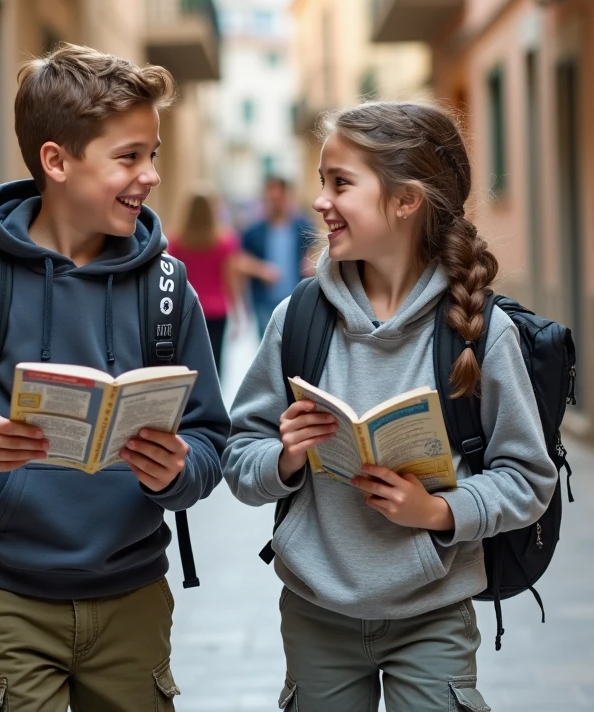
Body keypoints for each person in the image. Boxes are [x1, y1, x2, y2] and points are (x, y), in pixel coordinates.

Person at [0, 44, 229, 712]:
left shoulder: (166, 288)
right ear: (57, 162)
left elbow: (211, 436)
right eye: (129, 157)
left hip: (134, 594)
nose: (151, 175)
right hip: (8, 594)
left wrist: (180, 471)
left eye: (153, 154)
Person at [223, 101, 557, 710]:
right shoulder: (298, 319)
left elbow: (528, 478)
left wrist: (438, 511)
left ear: (406, 200)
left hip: (434, 612)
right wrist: (285, 458)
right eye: (322, 181)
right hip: (316, 611)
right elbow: (240, 456)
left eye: (340, 183)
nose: (320, 201)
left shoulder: (481, 331)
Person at [167, 189, 278, 373]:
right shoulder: (224, 242)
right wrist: (239, 315)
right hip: (216, 311)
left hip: (186, 310)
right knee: (214, 361)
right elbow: (231, 281)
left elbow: (172, 280)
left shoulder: (176, 242)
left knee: (188, 360)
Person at [240, 175, 316, 334]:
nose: (275, 202)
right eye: (271, 197)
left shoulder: (303, 227)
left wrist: (310, 262)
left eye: (279, 197)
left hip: (296, 298)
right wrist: (260, 269)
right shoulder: (253, 232)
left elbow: (314, 252)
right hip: (264, 301)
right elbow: (240, 261)